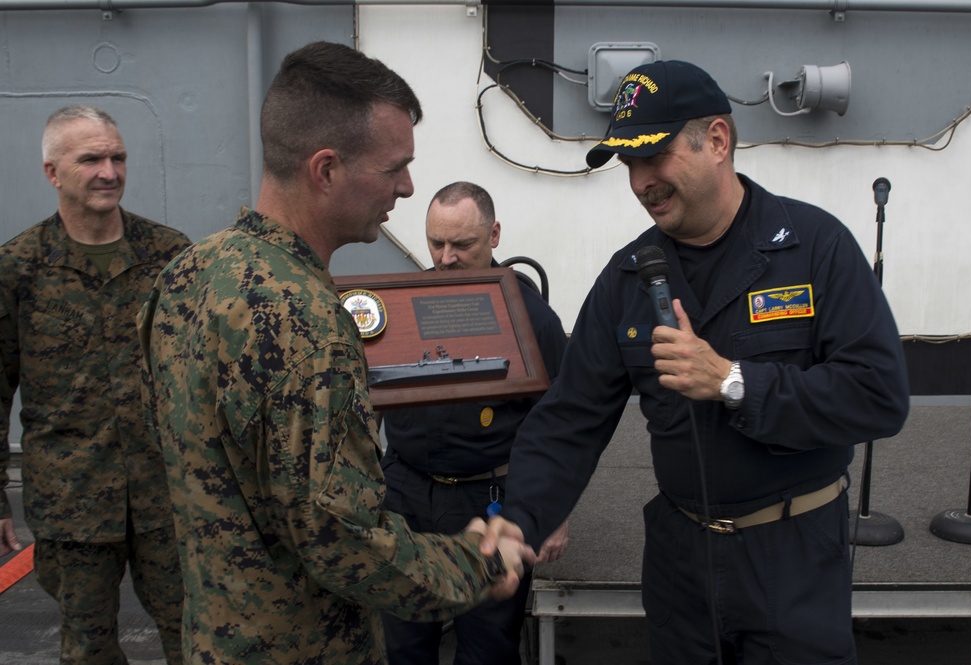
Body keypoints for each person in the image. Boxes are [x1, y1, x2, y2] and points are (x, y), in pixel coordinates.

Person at [485, 60, 910, 664]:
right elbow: (569, 419)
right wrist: (520, 519)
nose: (640, 182)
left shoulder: (815, 247)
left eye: (653, 156)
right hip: (681, 561)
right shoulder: (628, 278)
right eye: (629, 164)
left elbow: (879, 395)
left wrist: (736, 382)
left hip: (792, 557)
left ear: (717, 140)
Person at [138, 42, 533, 664]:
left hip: (215, 638)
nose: (406, 187)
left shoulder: (186, 275)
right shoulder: (308, 319)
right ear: (326, 169)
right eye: (393, 167)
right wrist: (475, 565)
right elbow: (338, 538)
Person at [0, 105, 190, 664]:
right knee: (88, 649)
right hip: (73, 503)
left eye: (118, 157)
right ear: (52, 172)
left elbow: (201, 372)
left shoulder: (170, 255)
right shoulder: (18, 269)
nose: (109, 171)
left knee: (197, 636)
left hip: (166, 495)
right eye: (91, 159)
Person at [380, 181, 569, 665]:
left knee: (487, 648)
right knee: (404, 644)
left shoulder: (533, 320)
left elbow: (561, 424)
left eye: (462, 244)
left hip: (487, 502)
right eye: (435, 243)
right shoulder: (398, 309)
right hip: (406, 495)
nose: (445, 258)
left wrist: (554, 514)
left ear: (495, 235)